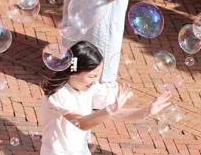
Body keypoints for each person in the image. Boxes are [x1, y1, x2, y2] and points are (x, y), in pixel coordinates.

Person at [39, 40, 167, 155]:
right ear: (74, 71)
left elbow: (118, 113)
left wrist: (147, 111)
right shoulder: (59, 95)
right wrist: (109, 110)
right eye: (91, 76)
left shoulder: (91, 88)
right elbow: (82, 123)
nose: (95, 81)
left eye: (98, 76)